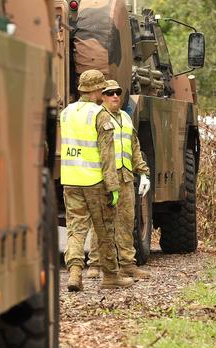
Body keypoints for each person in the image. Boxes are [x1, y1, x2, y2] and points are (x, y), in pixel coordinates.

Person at [60, 70, 134, 291]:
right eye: (102, 89)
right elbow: (107, 155)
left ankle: (74, 274)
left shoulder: (66, 112)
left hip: (71, 180)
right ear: (96, 91)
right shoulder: (100, 115)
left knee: (75, 228)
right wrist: (113, 187)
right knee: (105, 229)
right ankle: (111, 277)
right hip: (95, 182)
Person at [85, 80, 151, 280]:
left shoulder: (125, 118)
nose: (115, 96)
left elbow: (134, 147)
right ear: (102, 96)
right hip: (105, 177)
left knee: (126, 220)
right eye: (110, 93)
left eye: (117, 92)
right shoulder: (98, 117)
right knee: (102, 222)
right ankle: (95, 264)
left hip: (125, 177)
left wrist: (143, 172)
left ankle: (127, 265)